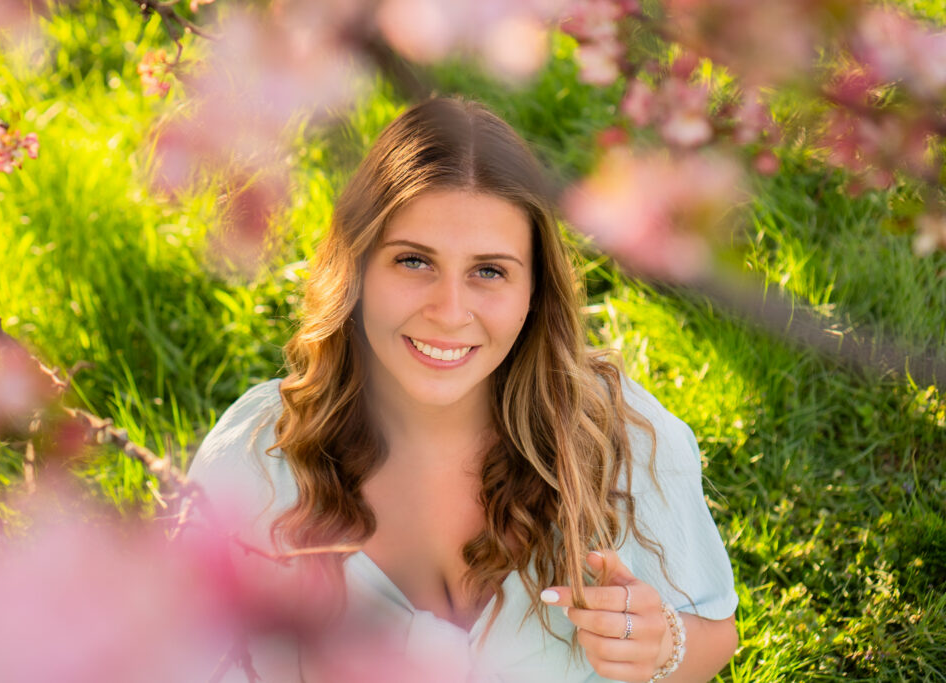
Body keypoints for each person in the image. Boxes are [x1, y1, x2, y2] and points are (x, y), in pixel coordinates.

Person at [187, 97, 738, 682]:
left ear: (534, 291)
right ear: (357, 269)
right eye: (414, 261)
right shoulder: (257, 459)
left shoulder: (616, 437)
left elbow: (715, 633)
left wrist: (660, 646)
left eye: (489, 271)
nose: (450, 313)